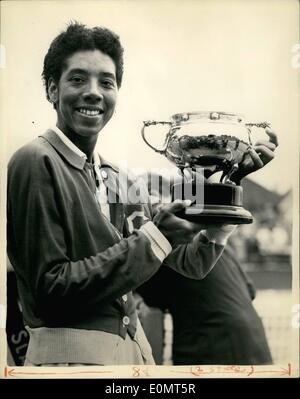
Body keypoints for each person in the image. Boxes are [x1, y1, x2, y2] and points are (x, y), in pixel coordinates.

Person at [7, 22, 240, 367]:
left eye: (106, 82)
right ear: (52, 89)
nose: (93, 92)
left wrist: (230, 179)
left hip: (130, 360)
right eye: (77, 79)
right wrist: (155, 237)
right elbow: (51, 290)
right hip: (67, 365)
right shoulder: (35, 160)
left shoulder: (119, 179)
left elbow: (191, 264)